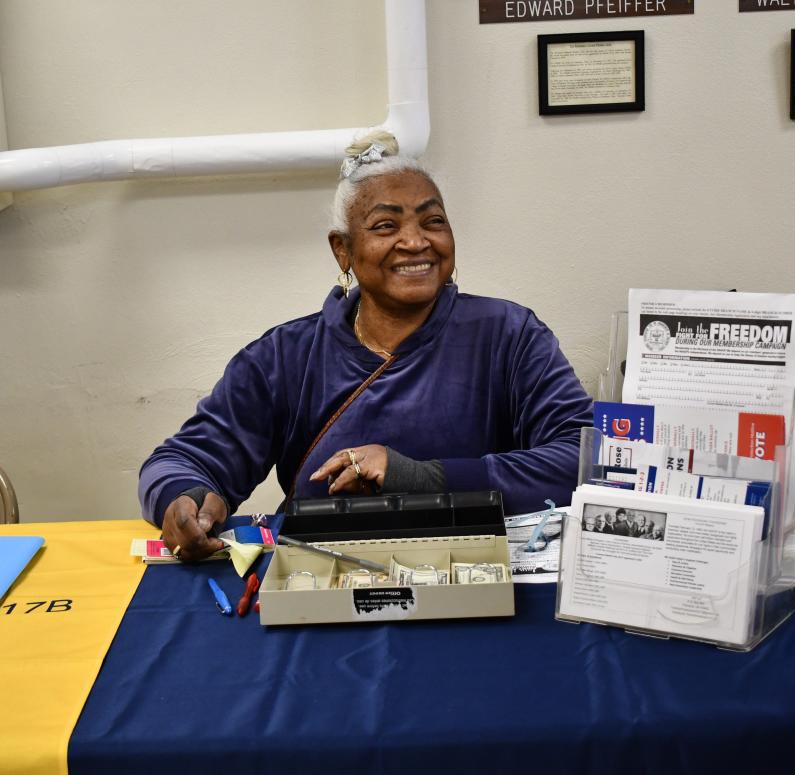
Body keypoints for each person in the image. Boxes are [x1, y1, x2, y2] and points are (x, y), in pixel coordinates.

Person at [139, 130, 594, 561]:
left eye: (433, 221)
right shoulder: (286, 354)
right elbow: (183, 459)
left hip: (476, 572)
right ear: (343, 250)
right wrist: (186, 498)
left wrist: (421, 479)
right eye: (385, 226)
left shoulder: (508, 335)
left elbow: (582, 456)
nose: (416, 242)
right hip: (318, 575)